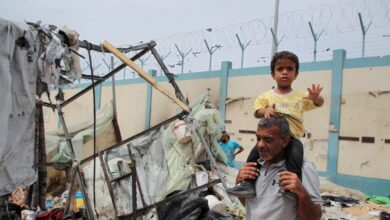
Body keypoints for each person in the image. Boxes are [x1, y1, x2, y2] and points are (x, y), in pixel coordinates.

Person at [227, 51, 324, 197]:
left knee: (295, 157)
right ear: (273, 74)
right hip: (271, 137)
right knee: (253, 156)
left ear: (296, 74)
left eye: (289, 69)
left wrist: (316, 98)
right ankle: (248, 184)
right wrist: (265, 110)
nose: (284, 72)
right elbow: (256, 111)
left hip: (292, 138)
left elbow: (319, 103)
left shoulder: (301, 96)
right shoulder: (266, 96)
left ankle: (290, 189)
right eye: (280, 69)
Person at [238, 116, 322, 220]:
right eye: (258, 138)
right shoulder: (254, 167)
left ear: (285, 141)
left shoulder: (304, 168)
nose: (260, 145)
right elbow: (250, 205)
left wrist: (302, 193)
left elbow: (314, 218)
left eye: (268, 140)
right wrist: (240, 181)